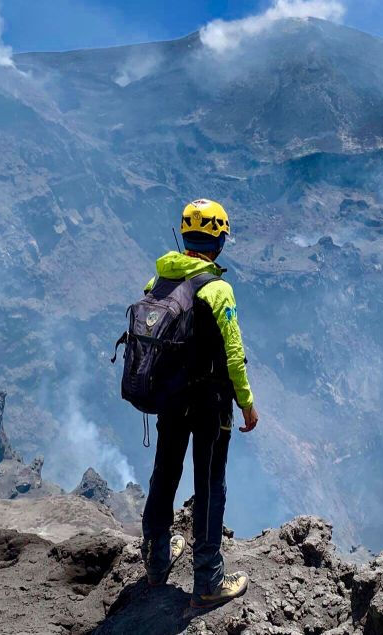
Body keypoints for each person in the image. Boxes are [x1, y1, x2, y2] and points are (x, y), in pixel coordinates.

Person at [141, 198, 259, 609]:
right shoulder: (217, 288)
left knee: (164, 473)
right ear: (219, 241)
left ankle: (156, 563)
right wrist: (245, 401)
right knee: (210, 485)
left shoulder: (158, 281)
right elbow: (233, 351)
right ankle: (208, 580)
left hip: (171, 399)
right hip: (210, 404)